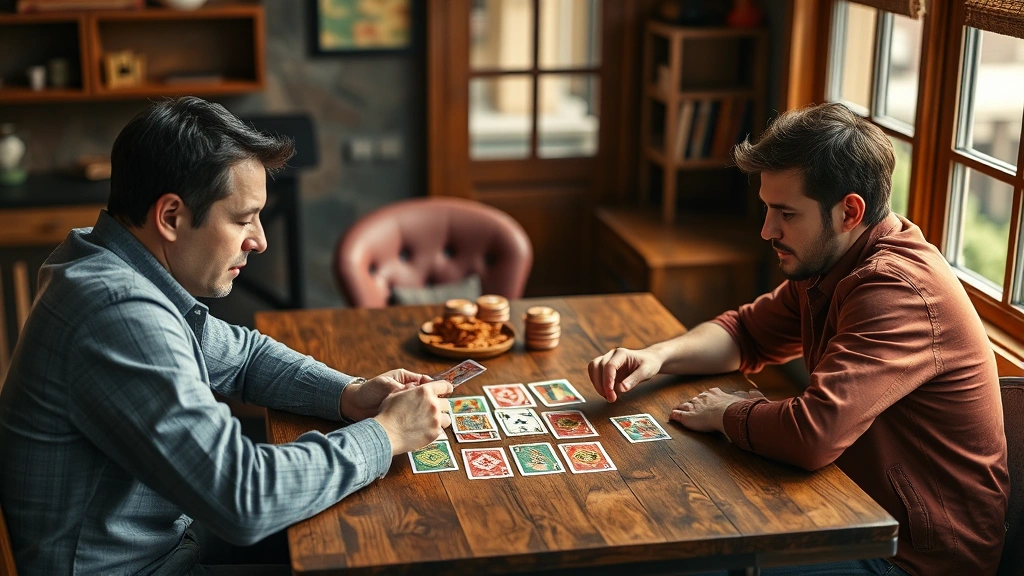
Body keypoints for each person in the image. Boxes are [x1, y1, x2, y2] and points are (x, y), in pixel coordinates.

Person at [0, 97, 454, 575]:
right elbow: (244, 497)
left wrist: (350, 394)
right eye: (242, 219)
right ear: (170, 217)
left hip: (169, 544)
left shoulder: (115, 264)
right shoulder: (119, 312)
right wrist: (386, 434)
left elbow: (244, 357)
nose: (260, 240)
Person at [588, 103, 1008, 576]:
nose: (767, 230)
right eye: (768, 208)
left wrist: (726, 412)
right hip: (847, 509)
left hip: (910, 558)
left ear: (850, 211)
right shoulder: (833, 258)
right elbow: (745, 333)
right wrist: (656, 356)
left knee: (683, 559)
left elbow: (813, 435)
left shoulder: (895, 291)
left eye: (786, 213)